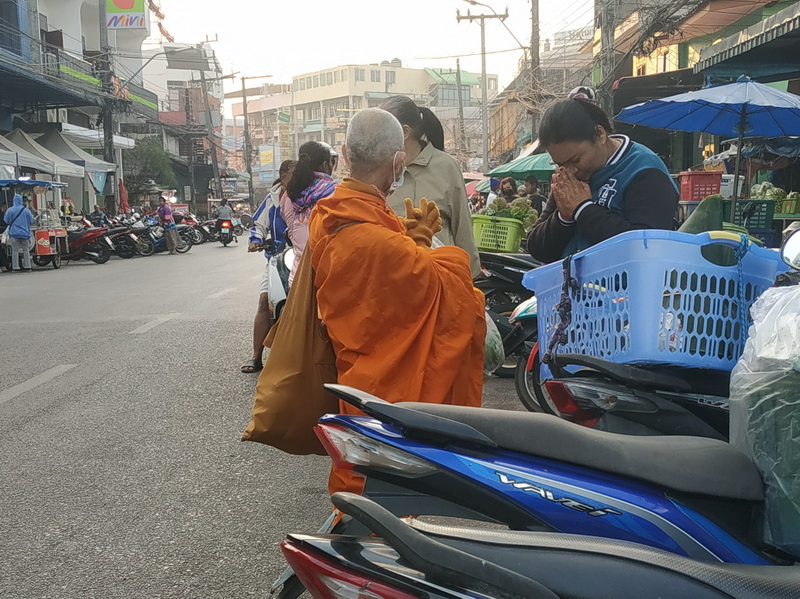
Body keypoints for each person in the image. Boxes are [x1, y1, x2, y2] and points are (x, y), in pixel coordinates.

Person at [307, 108, 486, 495]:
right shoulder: (383, 240)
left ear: (345, 154)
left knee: (362, 476)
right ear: (399, 162)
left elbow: (394, 282)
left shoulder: (326, 218)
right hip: (392, 391)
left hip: (355, 372)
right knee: (393, 483)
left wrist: (415, 243)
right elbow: (459, 298)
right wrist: (435, 253)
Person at [527, 96, 679, 263]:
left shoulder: (645, 170)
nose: (570, 170)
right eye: (560, 164)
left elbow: (643, 247)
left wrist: (583, 209)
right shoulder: (568, 178)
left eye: (576, 160)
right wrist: (563, 218)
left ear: (599, 135)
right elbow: (535, 247)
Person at [379, 95, 481, 277]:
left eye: (382, 127)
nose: (377, 135)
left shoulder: (445, 166)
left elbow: (463, 228)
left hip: (441, 278)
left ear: (405, 132)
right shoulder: (379, 168)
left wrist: (470, 278)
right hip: (392, 280)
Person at [242, 159, 296, 374]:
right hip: (276, 257)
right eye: (292, 176)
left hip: (303, 256)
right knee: (264, 300)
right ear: (283, 176)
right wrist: (255, 240)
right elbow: (258, 224)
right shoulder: (272, 199)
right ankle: (256, 355)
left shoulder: (307, 196)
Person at [281, 140, 337, 285]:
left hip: (297, 279)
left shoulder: (289, 196)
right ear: (325, 165)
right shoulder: (335, 193)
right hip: (326, 277)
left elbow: (290, 230)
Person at [4, 191, 35, 272]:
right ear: (21, 200)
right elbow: (31, 221)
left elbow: (6, 220)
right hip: (25, 233)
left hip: (14, 233)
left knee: (15, 251)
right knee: (26, 250)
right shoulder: (26, 210)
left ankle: (15, 267)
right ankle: (27, 266)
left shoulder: (10, 210)